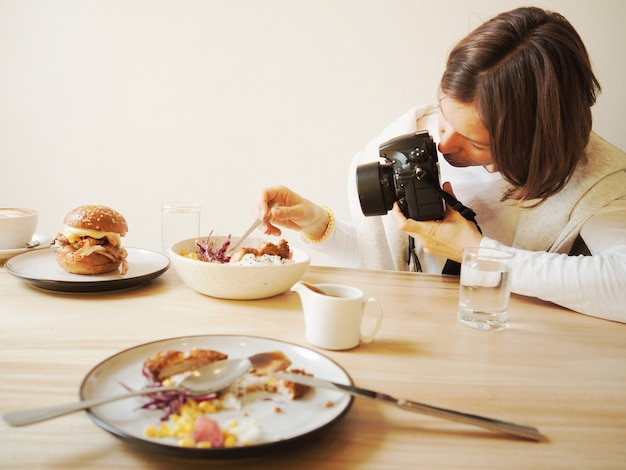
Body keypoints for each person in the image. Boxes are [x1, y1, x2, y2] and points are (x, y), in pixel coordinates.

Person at [254, 7, 626, 322]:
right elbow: (393, 264)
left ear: (535, 144)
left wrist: (479, 253)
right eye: (445, 118)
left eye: (475, 142)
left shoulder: (593, 177)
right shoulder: (410, 139)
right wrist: (320, 224)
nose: (444, 143)